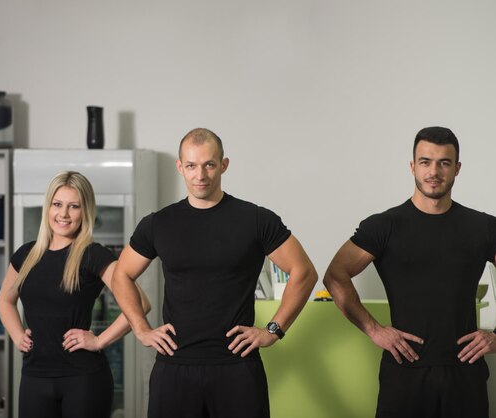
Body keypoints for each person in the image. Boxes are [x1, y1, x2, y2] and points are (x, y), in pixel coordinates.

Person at [111, 128, 318, 418]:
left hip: (236, 367)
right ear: (180, 167)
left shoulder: (255, 219)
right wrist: (141, 329)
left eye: (209, 164)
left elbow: (304, 272)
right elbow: (121, 275)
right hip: (174, 366)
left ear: (224, 165)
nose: (200, 175)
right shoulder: (158, 224)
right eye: (192, 166)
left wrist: (273, 330)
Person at [323, 126, 496, 418]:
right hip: (404, 372)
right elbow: (335, 274)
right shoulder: (384, 226)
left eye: (444, 162)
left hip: (464, 373)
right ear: (412, 166)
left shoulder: (483, 227)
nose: (434, 171)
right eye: (425, 162)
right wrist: (374, 329)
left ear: (457, 169)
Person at [0, 171, 150, 418]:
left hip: (83, 380)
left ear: (85, 211)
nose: (64, 214)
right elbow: (5, 300)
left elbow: (140, 303)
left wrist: (100, 340)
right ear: (48, 207)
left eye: (74, 206)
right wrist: (16, 335)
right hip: (34, 377)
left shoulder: (93, 254)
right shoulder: (25, 255)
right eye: (57, 204)